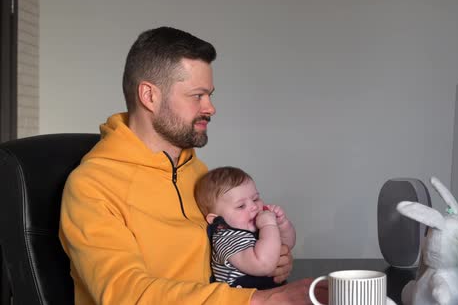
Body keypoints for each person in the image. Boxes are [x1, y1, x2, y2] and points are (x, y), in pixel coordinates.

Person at [59, 26, 325, 304]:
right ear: (149, 96)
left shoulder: (198, 174)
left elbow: (228, 252)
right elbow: (125, 294)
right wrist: (262, 300)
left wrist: (271, 260)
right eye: (197, 95)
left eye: (209, 95)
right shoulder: (92, 187)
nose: (210, 108)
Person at [195, 166, 296, 290]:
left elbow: (287, 245)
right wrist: (268, 226)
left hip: (270, 293)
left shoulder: (254, 226)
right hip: (241, 298)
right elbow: (263, 265)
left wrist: (282, 224)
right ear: (216, 220)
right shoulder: (227, 238)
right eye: (241, 206)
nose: (254, 206)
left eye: (255, 199)